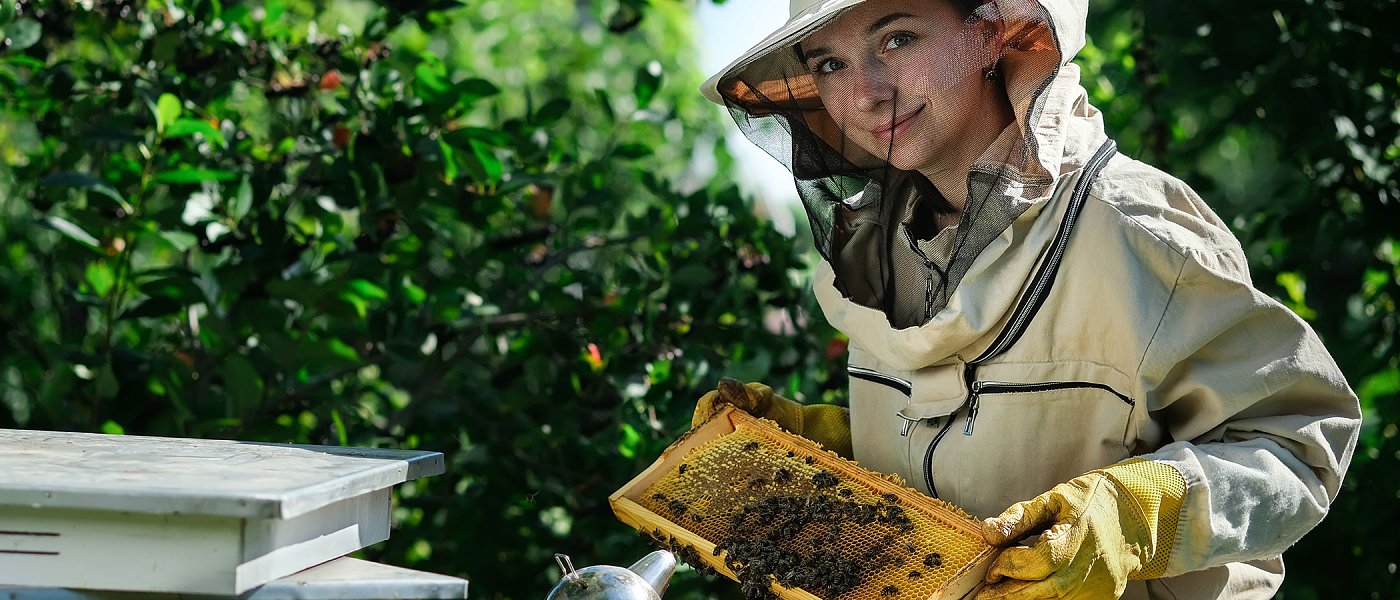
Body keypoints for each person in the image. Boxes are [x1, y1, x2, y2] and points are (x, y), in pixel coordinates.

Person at [689, 0, 1362, 598]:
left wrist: (1133, 517)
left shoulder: (1132, 230)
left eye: (897, 39)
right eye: (830, 64)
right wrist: (827, 453)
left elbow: (1298, 445)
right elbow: (979, 445)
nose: (864, 94)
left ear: (994, 31)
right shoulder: (875, 255)